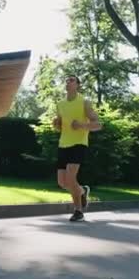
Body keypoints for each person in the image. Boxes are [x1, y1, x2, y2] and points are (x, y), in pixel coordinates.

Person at [53, 75, 102, 222]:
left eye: (71, 80)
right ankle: (82, 191)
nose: (68, 82)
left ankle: (78, 211)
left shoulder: (84, 102)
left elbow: (98, 124)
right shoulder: (60, 104)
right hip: (63, 144)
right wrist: (56, 124)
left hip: (79, 143)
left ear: (78, 85)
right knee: (62, 182)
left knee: (70, 177)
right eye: (66, 80)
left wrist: (82, 125)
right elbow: (60, 126)